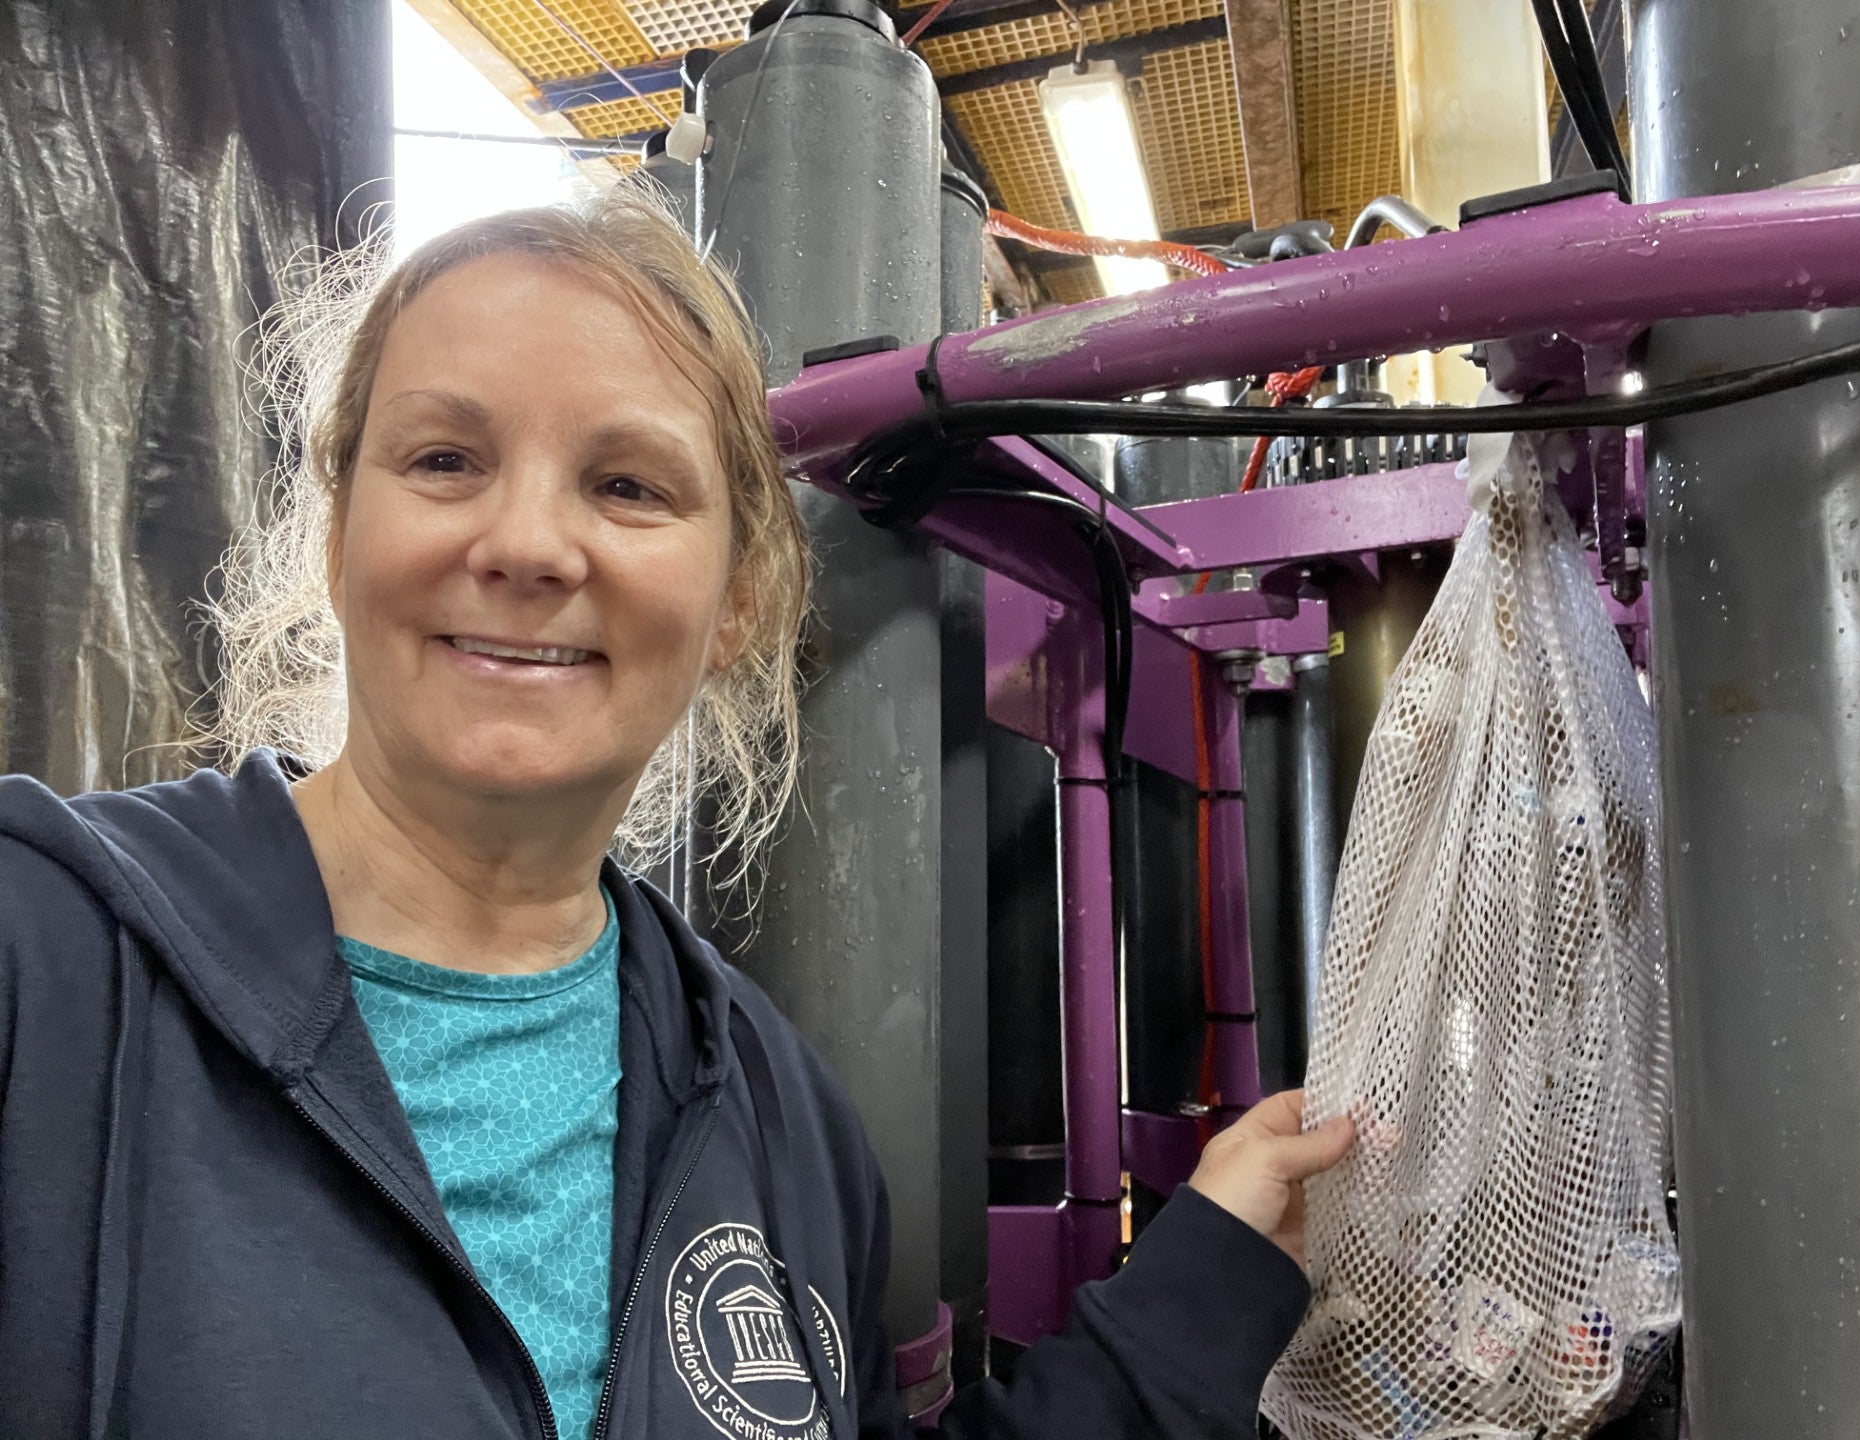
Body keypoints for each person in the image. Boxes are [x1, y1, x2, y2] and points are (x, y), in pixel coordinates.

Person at [0, 186, 1354, 1439]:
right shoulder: (45, 962)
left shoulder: (781, 1117)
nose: (527, 545)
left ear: (741, 600)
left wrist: (1204, 1287)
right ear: (339, 526)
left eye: (628, 486)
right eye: (445, 459)